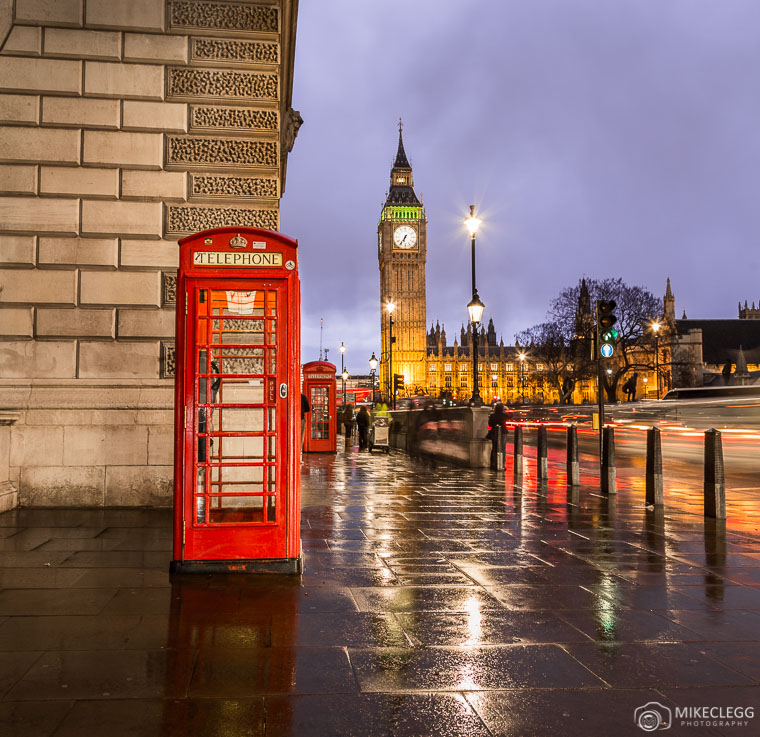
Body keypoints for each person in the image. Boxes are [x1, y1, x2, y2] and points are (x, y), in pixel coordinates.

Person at [486, 402, 509, 470]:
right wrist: (505, 410)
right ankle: (502, 464)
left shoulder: (493, 415)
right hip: (503, 432)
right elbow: (511, 415)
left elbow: (490, 424)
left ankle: (493, 464)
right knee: (502, 448)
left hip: (494, 433)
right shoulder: (504, 415)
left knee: (494, 448)